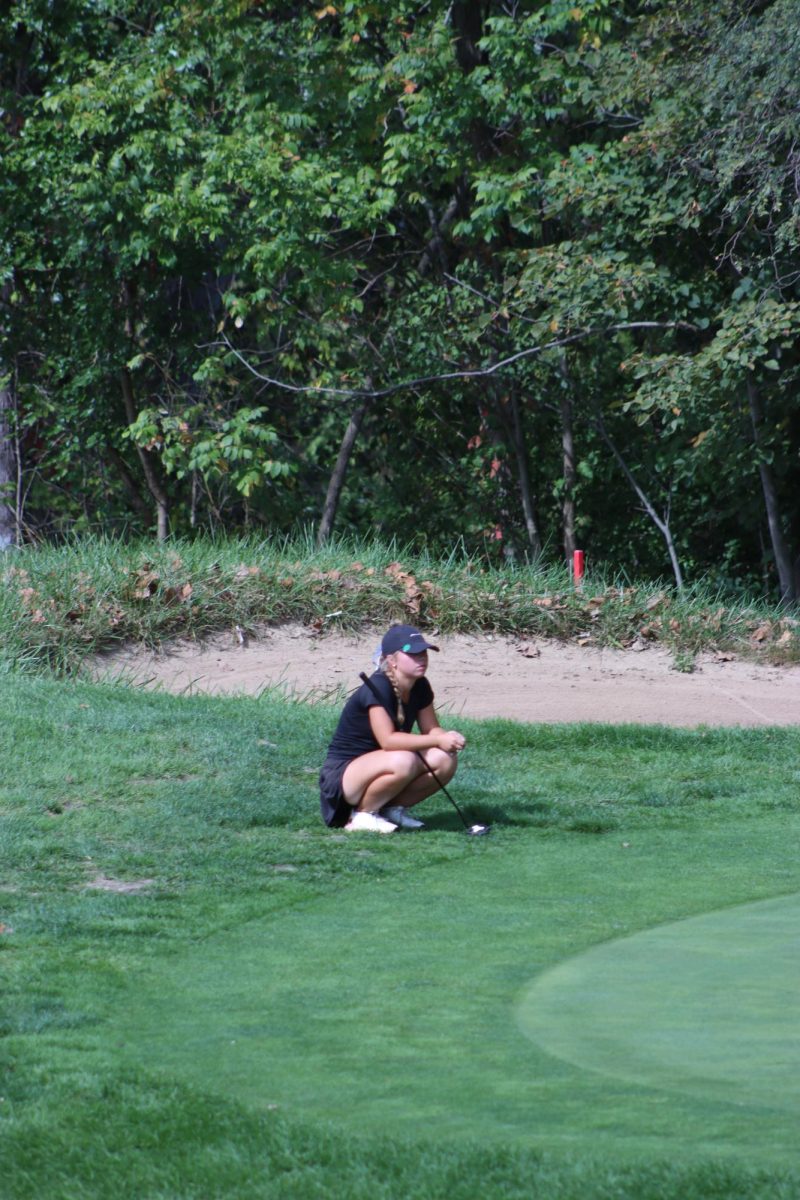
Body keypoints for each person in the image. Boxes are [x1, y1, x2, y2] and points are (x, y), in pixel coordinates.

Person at [319, 623, 466, 832]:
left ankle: (391, 810)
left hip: (380, 766)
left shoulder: (420, 685)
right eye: (413, 654)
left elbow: (431, 729)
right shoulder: (378, 686)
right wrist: (437, 740)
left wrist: (447, 738)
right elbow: (388, 741)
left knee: (444, 758)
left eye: (424, 653)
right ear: (392, 660)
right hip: (344, 778)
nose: (421, 658)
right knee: (404, 759)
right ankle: (363, 816)